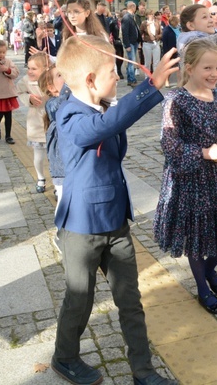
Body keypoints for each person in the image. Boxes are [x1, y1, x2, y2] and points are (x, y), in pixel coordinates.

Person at [52, 34, 179, 385]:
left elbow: (112, 127)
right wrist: (151, 87)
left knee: (130, 300)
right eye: (113, 70)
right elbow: (104, 127)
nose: (119, 77)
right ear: (91, 80)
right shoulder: (71, 116)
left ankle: (143, 371)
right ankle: (64, 358)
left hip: (115, 222)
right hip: (81, 227)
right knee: (80, 299)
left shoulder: (103, 109)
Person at [154, 39, 217, 314]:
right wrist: (206, 153)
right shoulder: (176, 100)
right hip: (188, 178)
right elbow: (169, 145)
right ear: (190, 67)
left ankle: (209, 270)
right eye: (208, 67)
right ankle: (202, 288)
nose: (214, 74)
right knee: (196, 235)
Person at [18, 52, 50, 192]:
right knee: (38, 154)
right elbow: (19, 92)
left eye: (34, 69)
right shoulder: (25, 80)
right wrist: (29, 98)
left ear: (44, 68)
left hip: (52, 121)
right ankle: (40, 177)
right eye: (29, 68)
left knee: (55, 155)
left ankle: (58, 180)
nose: (30, 71)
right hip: (36, 122)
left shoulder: (51, 78)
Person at [40, 63, 70, 202]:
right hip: (61, 167)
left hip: (72, 164)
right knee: (65, 205)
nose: (65, 76)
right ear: (51, 87)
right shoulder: (52, 103)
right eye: (60, 75)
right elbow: (62, 103)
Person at [122, 2, 140, 87]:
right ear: (132, 7)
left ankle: (130, 79)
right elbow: (124, 32)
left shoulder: (131, 17)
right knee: (131, 61)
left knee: (131, 62)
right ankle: (132, 79)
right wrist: (127, 45)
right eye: (135, 7)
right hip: (130, 43)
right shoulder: (126, 17)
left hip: (134, 42)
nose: (135, 9)